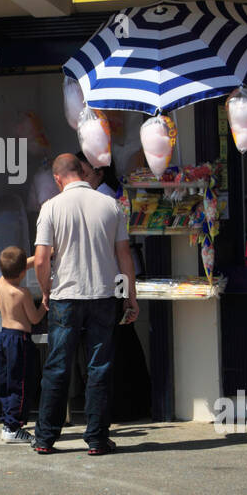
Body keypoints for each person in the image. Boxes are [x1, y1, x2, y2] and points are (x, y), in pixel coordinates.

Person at [32, 153, 138, 455]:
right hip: (104, 296)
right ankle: (96, 438)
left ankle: (45, 439)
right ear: (81, 171)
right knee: (99, 368)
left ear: (57, 179)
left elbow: (41, 259)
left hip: (65, 297)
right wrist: (131, 297)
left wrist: (45, 291)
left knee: (57, 368)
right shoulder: (110, 205)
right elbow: (124, 256)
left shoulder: (51, 207)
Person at [76, 154, 152, 422]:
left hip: (113, 280)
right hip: (111, 280)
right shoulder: (100, 197)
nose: (80, 179)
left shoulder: (107, 200)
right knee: (118, 343)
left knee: (116, 344)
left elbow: (120, 252)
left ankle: (123, 405)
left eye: (83, 173)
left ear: (98, 172)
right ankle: (125, 404)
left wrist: (127, 294)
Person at [0, 246, 45, 444]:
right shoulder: (22, 293)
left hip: (4, 337)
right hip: (19, 340)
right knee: (21, 384)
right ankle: (14, 428)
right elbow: (34, 318)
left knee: (8, 382)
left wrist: (45, 255)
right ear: (23, 272)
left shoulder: (0, 283)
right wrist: (45, 302)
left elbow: (21, 265)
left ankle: (8, 423)